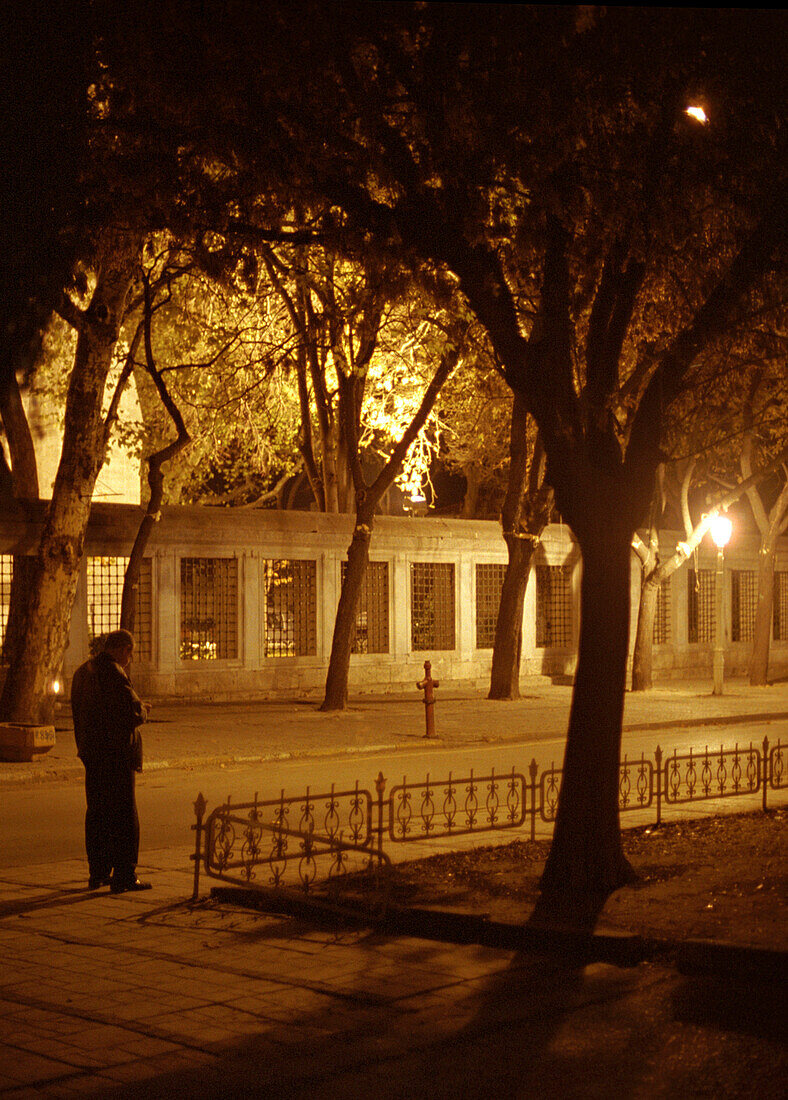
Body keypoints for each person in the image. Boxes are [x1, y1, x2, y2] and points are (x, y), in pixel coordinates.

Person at [71, 629, 152, 893]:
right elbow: (130, 712)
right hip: (116, 755)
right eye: (131, 652)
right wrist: (143, 710)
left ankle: (98, 872)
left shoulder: (83, 672)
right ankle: (125, 874)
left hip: (92, 754)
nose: (130, 658)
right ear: (124, 649)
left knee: (97, 813)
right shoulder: (115, 673)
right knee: (125, 815)